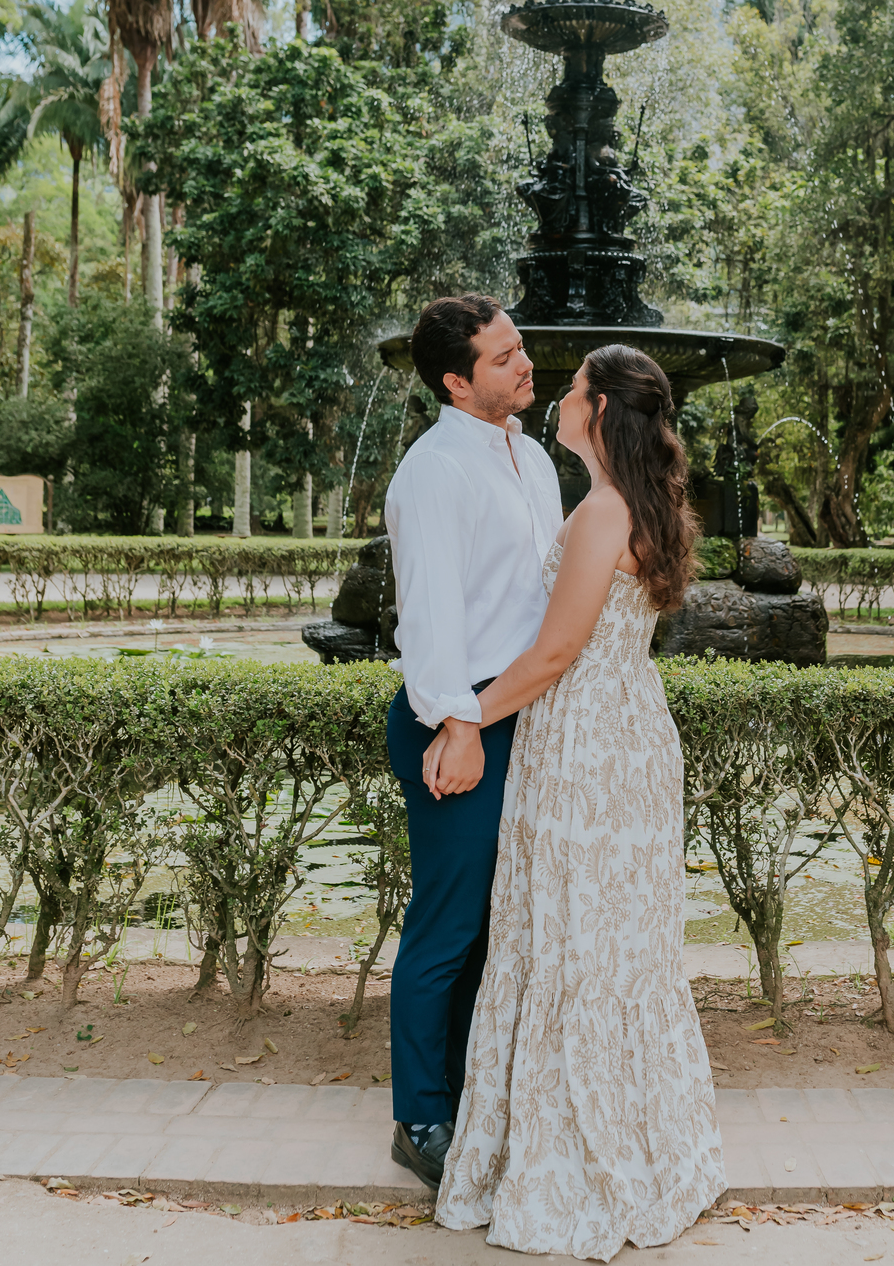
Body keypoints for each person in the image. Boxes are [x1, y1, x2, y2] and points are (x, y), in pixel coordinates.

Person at [429, 343, 726, 1260]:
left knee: (568, 937)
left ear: (598, 409)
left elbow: (555, 653)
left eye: (571, 387)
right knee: (616, 941)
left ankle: (581, 1165)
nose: (555, 392)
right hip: (630, 734)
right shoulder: (640, 503)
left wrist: (463, 717)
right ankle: (650, 1142)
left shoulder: (602, 512)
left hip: (586, 748)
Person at [384, 295, 562, 1191]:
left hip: (523, 717)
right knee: (449, 925)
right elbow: (431, 612)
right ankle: (419, 1115)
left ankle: (467, 1094)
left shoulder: (533, 459)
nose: (524, 364)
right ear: (457, 381)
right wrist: (460, 722)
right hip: (460, 720)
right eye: (503, 358)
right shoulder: (432, 473)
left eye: (520, 346)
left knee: (499, 925)